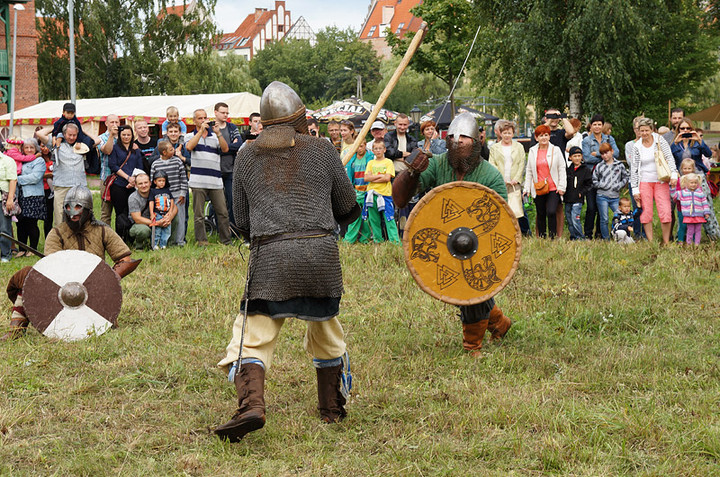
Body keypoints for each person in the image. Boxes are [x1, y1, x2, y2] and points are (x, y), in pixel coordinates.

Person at [215, 81, 359, 442]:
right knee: (326, 330)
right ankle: (331, 408)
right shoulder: (323, 150)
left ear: (264, 121)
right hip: (319, 256)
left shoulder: (247, 154)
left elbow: (242, 222)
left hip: (270, 257)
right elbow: (348, 209)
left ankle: (251, 405)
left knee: (252, 336)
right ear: (300, 117)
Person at [392, 112, 512, 357]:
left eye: (465, 137)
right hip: (445, 240)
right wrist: (412, 172)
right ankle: (499, 322)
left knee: (472, 288)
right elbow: (400, 198)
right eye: (453, 136)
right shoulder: (437, 164)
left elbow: (501, 221)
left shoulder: (490, 176)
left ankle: (472, 346)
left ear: (477, 140)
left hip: (480, 243)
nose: (458, 141)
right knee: (460, 285)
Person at [0, 186, 140, 341]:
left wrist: (106, 279)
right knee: (27, 275)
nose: (72, 211)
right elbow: (51, 267)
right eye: (68, 207)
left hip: (94, 287)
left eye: (78, 207)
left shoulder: (102, 230)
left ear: (88, 209)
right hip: (61, 287)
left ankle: (104, 318)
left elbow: (126, 260)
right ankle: (17, 329)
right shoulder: (57, 232)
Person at [35, 123, 98, 226]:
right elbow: (40, 134)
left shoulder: (82, 146)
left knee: (80, 215)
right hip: (61, 185)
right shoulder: (56, 144)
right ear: (64, 134)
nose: (72, 137)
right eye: (69, 135)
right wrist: (57, 126)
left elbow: (97, 140)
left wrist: (82, 130)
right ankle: (61, 239)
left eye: (74, 135)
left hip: (79, 186)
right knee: (60, 216)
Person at [185, 108, 232, 246]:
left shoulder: (214, 135)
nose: (203, 120)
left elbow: (225, 149)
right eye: (200, 118)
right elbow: (189, 147)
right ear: (194, 121)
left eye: (205, 117)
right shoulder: (190, 135)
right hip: (198, 181)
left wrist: (218, 134)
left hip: (215, 181)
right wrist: (200, 131)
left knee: (222, 212)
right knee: (199, 215)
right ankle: (202, 241)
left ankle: (226, 241)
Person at [670, 117, 719, 240]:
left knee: (705, 205)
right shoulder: (676, 144)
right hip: (683, 179)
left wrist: (699, 140)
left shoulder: (696, 142)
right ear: (678, 129)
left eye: (688, 128)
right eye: (682, 128)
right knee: (685, 208)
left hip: (698, 177)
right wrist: (676, 141)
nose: (685, 130)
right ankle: (684, 236)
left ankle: (714, 235)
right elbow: (670, 158)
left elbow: (708, 154)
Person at [630, 117, 678, 244]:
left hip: (661, 180)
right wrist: (635, 189)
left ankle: (666, 241)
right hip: (644, 182)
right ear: (638, 131)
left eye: (647, 130)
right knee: (646, 212)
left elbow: (669, 157)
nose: (644, 133)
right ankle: (651, 242)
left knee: (665, 211)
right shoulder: (637, 146)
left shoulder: (659, 140)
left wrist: (673, 174)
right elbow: (634, 168)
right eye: (642, 131)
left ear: (652, 130)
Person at [524, 125, 566, 239]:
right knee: (541, 213)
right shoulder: (533, 151)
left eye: (546, 135)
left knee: (551, 211)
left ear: (549, 136)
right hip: (538, 187)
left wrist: (562, 186)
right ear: (536, 138)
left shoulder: (555, 150)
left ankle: (553, 237)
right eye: (541, 135)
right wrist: (526, 189)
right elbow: (529, 171)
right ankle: (542, 238)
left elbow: (562, 168)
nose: (544, 138)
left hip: (553, 187)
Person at [582, 114, 619, 239]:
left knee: (600, 207)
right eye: (594, 124)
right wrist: (606, 156)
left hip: (607, 177)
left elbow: (617, 153)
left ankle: (599, 232)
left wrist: (597, 153)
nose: (597, 127)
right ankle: (587, 233)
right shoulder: (586, 141)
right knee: (591, 207)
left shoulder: (609, 139)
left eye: (599, 124)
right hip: (591, 177)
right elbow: (587, 157)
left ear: (603, 126)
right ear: (591, 126)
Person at [488, 119, 529, 235]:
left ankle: (522, 232)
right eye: (504, 133)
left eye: (509, 133)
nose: (507, 135)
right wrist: (501, 179)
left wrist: (517, 179)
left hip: (515, 184)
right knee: (501, 208)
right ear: (500, 133)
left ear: (513, 133)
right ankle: (503, 232)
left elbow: (522, 163)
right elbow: (492, 164)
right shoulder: (494, 148)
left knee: (518, 210)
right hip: (501, 182)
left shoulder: (519, 147)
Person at [108, 125, 145, 242]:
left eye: (128, 135)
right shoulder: (114, 148)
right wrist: (127, 178)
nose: (126, 137)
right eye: (124, 134)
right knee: (120, 212)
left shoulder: (135, 149)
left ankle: (130, 239)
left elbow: (140, 166)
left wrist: (133, 180)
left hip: (133, 185)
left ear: (132, 135)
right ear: (120, 135)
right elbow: (113, 165)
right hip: (119, 184)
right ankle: (119, 239)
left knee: (132, 212)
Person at [150, 140, 188, 246]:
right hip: (161, 196)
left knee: (180, 218)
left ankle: (179, 241)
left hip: (176, 195)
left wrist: (182, 193)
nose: (174, 150)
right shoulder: (155, 164)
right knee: (163, 218)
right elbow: (152, 181)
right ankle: (162, 242)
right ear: (164, 152)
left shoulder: (178, 161)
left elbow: (183, 179)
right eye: (171, 149)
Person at [363, 142, 400, 245]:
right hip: (371, 194)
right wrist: (381, 176)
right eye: (376, 148)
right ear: (373, 151)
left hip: (385, 194)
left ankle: (395, 242)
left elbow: (387, 178)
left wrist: (373, 177)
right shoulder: (370, 163)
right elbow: (366, 178)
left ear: (384, 150)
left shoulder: (388, 162)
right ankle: (377, 240)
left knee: (389, 218)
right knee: (373, 219)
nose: (378, 150)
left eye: (380, 148)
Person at [214, 102, 243, 229]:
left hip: (231, 169)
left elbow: (239, 145)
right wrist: (229, 147)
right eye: (222, 112)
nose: (225, 115)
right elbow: (212, 148)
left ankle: (233, 229)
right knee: (217, 203)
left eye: (227, 113)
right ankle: (218, 228)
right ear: (215, 112)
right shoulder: (211, 128)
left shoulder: (232, 127)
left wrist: (224, 148)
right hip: (215, 170)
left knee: (232, 201)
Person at [15, 139, 46, 256]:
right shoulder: (20, 160)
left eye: (31, 148)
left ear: (36, 149)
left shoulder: (39, 161)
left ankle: (33, 249)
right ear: (23, 149)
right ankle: (22, 249)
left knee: (31, 223)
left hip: (33, 195)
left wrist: (17, 179)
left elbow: (35, 177)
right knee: (20, 222)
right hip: (20, 195)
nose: (29, 150)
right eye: (26, 148)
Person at [592, 143, 629, 240]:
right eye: (602, 154)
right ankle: (606, 238)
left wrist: (619, 185)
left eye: (607, 153)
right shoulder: (599, 166)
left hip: (615, 196)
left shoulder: (619, 165)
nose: (605, 156)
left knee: (619, 216)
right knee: (604, 218)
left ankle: (620, 235)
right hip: (602, 195)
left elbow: (625, 177)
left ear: (612, 151)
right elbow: (594, 181)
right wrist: (603, 185)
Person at [128, 172, 175, 248]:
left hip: (159, 218)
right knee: (143, 230)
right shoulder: (133, 198)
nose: (144, 185)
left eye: (146, 182)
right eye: (140, 184)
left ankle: (169, 242)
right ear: (136, 185)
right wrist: (157, 223)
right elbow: (137, 219)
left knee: (175, 217)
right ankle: (139, 245)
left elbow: (174, 207)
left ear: (150, 183)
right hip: (141, 224)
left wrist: (169, 217)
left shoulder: (158, 191)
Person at [344, 137, 372, 244]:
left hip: (367, 191)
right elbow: (349, 176)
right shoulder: (352, 159)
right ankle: (349, 239)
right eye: (357, 146)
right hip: (356, 190)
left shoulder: (370, 157)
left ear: (365, 145)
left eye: (361, 146)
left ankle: (365, 238)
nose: (359, 149)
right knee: (354, 216)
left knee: (366, 217)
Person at [671, 173, 711, 245]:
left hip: (699, 215)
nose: (693, 184)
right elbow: (674, 196)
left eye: (695, 183)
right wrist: (673, 188)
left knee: (698, 230)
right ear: (686, 183)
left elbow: (704, 203)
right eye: (691, 183)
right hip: (689, 216)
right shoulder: (683, 193)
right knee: (690, 230)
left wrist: (706, 212)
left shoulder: (700, 193)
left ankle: (697, 244)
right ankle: (689, 243)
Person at [563, 146, 593, 240]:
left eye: (579, 156)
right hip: (568, 198)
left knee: (575, 218)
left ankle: (580, 236)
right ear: (570, 157)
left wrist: (582, 192)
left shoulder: (585, 170)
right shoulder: (568, 170)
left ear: (582, 157)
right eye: (574, 156)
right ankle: (573, 236)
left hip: (578, 199)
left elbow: (589, 184)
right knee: (569, 219)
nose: (577, 158)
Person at [624, 116, 646, 240]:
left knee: (646, 207)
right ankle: (638, 233)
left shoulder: (651, 144)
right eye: (638, 128)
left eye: (642, 128)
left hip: (648, 179)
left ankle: (647, 233)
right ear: (634, 129)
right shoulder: (629, 145)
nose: (640, 131)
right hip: (635, 180)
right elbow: (632, 162)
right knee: (637, 207)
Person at [98, 114, 122, 224]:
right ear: (106, 123)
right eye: (112, 122)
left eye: (117, 122)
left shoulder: (123, 136)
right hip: (106, 178)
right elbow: (107, 151)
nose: (115, 125)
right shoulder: (101, 138)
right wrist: (112, 136)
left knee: (120, 211)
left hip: (121, 178)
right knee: (106, 213)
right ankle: (105, 238)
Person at [149, 171, 174, 250]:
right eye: (159, 181)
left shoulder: (167, 190)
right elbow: (151, 202)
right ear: (155, 181)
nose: (162, 183)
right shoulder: (153, 191)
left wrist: (170, 212)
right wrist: (151, 213)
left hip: (166, 214)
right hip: (157, 214)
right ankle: (155, 244)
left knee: (167, 230)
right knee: (157, 230)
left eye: (163, 181)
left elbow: (172, 201)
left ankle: (163, 244)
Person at [0, 149, 17, 263]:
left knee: (4, 228)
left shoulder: (7, 161)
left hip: (3, 199)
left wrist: (10, 199)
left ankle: (6, 254)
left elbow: (13, 180)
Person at [674, 158, 697, 243]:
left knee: (693, 225)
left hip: (694, 208)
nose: (687, 171)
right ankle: (680, 241)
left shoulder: (695, 180)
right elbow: (677, 194)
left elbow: (698, 191)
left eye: (689, 168)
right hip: (682, 208)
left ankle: (693, 241)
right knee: (682, 225)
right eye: (685, 168)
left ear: (693, 169)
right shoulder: (680, 180)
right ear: (681, 169)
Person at [40, 141, 54, 237]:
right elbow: (38, 175)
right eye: (42, 146)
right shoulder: (37, 158)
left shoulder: (55, 156)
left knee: (54, 216)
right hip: (43, 190)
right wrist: (49, 175)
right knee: (46, 217)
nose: (45, 148)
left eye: (47, 146)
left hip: (55, 189)